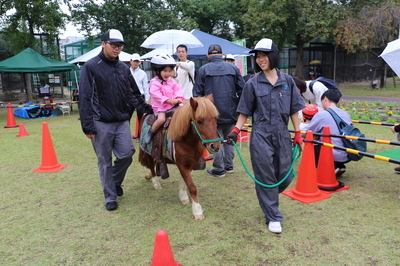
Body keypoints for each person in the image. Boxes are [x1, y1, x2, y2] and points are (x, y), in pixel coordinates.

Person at [226, 38, 304, 234]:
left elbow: (295, 109)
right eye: (258, 56)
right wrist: (236, 130)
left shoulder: (287, 81)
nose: (260, 60)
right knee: (265, 175)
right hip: (260, 134)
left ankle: (267, 196)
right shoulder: (252, 84)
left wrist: (298, 134)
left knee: (285, 174)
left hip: (282, 133)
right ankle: (273, 216)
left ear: (273, 56)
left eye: (264, 55)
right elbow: (244, 110)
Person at [79, 29, 153, 211]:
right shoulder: (91, 66)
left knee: (127, 154)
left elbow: (133, 94)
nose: (117, 49)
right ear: (103, 44)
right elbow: (85, 97)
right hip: (99, 122)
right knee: (104, 160)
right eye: (114, 45)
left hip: (121, 121)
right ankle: (110, 196)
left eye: (120, 46)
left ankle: (114, 182)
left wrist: (148, 108)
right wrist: (87, 125)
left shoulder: (123, 68)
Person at [193, 44, 245, 177]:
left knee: (215, 138)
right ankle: (229, 166)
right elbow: (243, 90)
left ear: (208, 56)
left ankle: (219, 169)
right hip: (231, 110)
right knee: (229, 139)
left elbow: (197, 94)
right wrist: (238, 106)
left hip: (211, 114)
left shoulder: (203, 70)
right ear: (222, 55)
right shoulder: (233, 68)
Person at [302, 89, 351, 176]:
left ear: (325, 99)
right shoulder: (345, 113)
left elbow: (305, 132)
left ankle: (330, 167)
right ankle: (339, 166)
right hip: (349, 153)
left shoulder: (322, 115)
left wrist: (302, 124)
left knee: (313, 140)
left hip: (332, 153)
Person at [144, 53, 185, 144]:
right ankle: (151, 133)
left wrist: (178, 97)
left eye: (170, 71)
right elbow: (156, 94)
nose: (168, 73)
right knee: (161, 119)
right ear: (158, 71)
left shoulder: (172, 81)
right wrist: (169, 100)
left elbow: (177, 90)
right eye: (165, 71)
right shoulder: (154, 82)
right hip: (161, 107)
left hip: (173, 105)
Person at [130, 53, 149, 139]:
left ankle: (140, 135)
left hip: (139, 96)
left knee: (141, 117)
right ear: (131, 61)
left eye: (137, 61)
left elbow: (145, 86)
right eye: (134, 61)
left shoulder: (143, 73)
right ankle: (125, 135)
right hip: (129, 96)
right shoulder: (126, 72)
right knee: (127, 116)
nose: (136, 63)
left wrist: (147, 98)